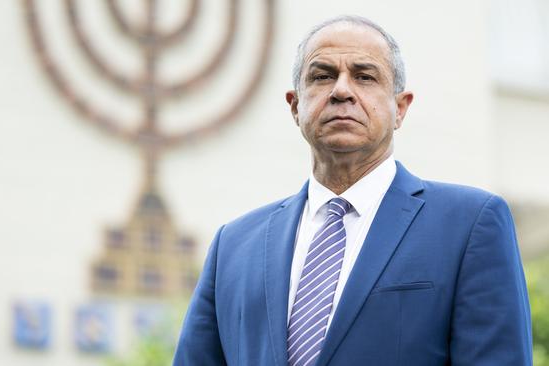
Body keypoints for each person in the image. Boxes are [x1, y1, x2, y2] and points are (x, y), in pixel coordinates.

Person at [173, 15, 533, 366]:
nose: (342, 90)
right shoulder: (234, 246)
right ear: (295, 106)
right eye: (322, 76)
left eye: (364, 76)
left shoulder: (469, 225)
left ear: (400, 108)